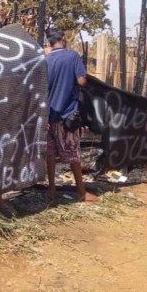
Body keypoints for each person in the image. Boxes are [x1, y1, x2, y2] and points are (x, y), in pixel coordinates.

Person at [45, 28, 98, 202]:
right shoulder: (72, 56)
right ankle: (81, 193)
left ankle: (51, 191)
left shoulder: (45, 60)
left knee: (51, 154)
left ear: (49, 43)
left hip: (49, 115)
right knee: (74, 153)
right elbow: (82, 81)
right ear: (63, 40)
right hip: (67, 114)